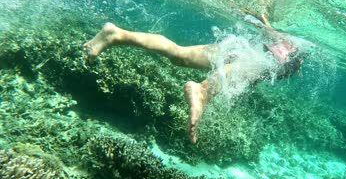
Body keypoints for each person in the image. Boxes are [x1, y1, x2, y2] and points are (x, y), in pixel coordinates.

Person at [83, 13, 306, 143]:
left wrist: (262, 21)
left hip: (240, 48)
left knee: (179, 55)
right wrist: (264, 23)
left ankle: (116, 34)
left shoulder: (289, 43)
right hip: (253, 53)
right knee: (249, 66)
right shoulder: (292, 48)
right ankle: (203, 90)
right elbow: (266, 44)